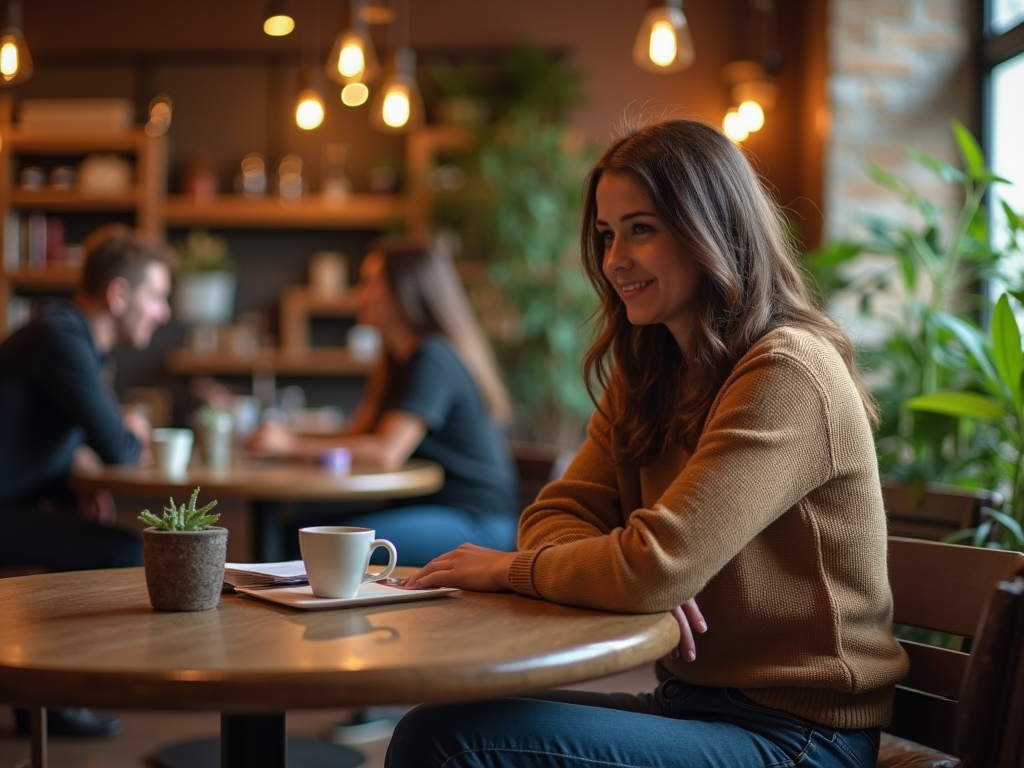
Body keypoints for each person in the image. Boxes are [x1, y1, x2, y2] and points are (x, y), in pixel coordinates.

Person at [388, 117, 910, 768]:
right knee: (442, 728)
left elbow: (654, 565)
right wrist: (637, 570)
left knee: (448, 744)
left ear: (710, 229)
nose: (614, 261)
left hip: (803, 736)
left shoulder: (788, 371)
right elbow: (557, 516)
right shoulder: (651, 373)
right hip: (698, 706)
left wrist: (517, 568)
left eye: (642, 229)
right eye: (607, 234)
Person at [248, 240, 520, 567]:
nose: (358, 295)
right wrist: (288, 437)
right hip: (431, 508)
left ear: (405, 291)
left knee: (312, 543)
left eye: (370, 283)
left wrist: (290, 445)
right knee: (296, 528)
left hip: (475, 523)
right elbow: (358, 432)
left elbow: (386, 451)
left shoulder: (433, 357)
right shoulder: (396, 359)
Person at [0, 223, 174, 737]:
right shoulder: (62, 337)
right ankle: (62, 694)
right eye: (157, 296)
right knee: (122, 550)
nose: (163, 313)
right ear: (119, 294)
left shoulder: (65, 335)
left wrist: (79, 482)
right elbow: (117, 448)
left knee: (99, 542)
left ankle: (46, 699)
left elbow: (27, 441)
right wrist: (134, 425)